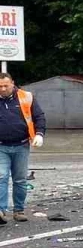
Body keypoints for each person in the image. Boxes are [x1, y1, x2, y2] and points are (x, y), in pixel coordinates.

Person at [0, 72, 45, 223]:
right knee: (1, 177)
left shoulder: (26, 97)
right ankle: (1, 211)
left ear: (13, 83)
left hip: (22, 145)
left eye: (6, 85)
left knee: (20, 180)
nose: (3, 89)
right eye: (0, 86)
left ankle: (19, 210)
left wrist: (39, 134)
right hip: (1, 147)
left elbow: (39, 116)